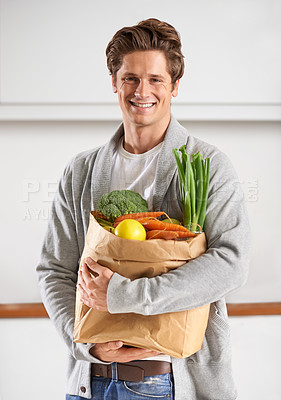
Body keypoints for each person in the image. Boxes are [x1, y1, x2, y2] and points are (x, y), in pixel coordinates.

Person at [37, 18, 250, 400]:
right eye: (130, 78)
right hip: (89, 382)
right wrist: (85, 343)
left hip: (166, 382)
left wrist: (125, 295)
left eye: (155, 79)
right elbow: (54, 269)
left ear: (175, 86)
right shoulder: (81, 171)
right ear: (115, 84)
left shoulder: (208, 164)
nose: (142, 91)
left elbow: (231, 262)